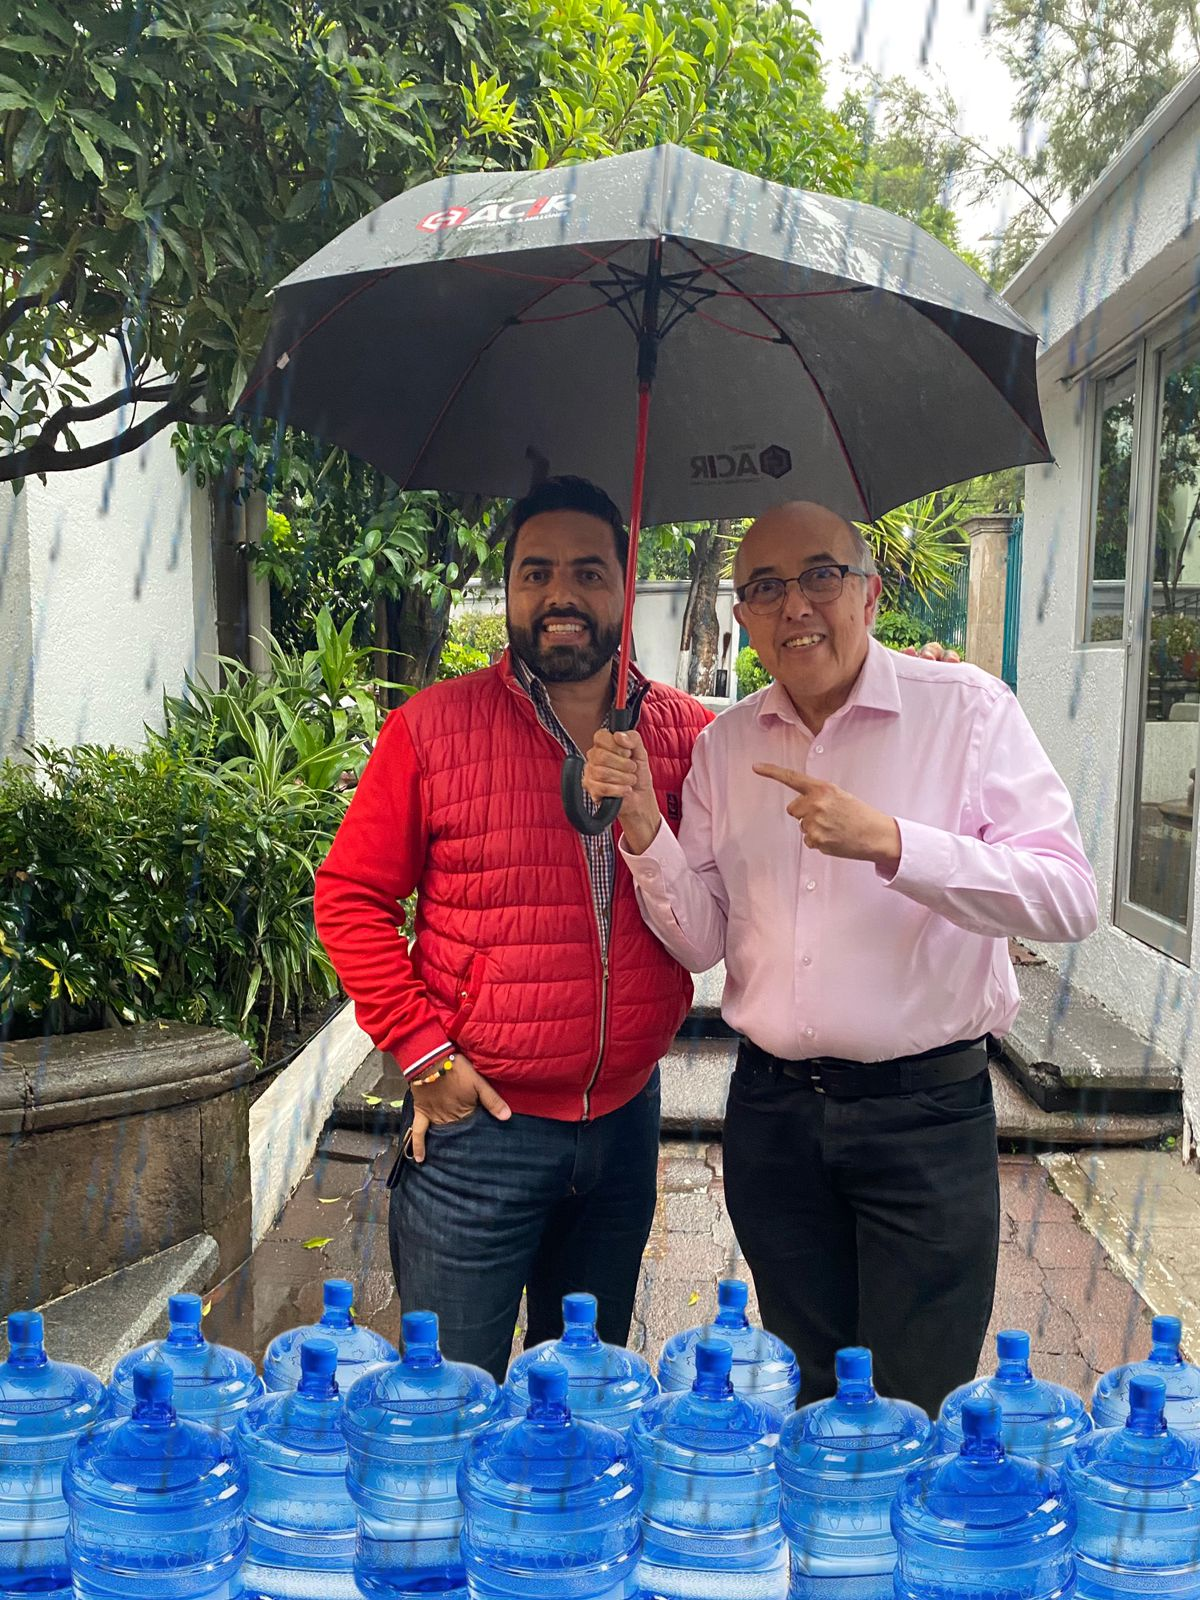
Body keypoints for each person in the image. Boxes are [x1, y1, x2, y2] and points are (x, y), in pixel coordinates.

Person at [583, 500, 1098, 1415]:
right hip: (774, 1116)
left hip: (926, 1116)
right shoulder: (726, 745)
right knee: (810, 1390)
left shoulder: (967, 713)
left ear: (869, 589)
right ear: (741, 615)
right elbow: (701, 938)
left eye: (821, 575)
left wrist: (895, 842)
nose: (797, 607)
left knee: (916, 1396)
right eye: (766, 588)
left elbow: (1068, 897)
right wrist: (642, 827)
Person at [313, 475, 711, 1382]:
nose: (561, 595)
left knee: (579, 1401)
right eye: (536, 573)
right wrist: (423, 1052)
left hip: (623, 1128)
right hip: (479, 1132)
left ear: (626, 581)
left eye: (587, 571)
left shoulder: (689, 736)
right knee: (451, 1397)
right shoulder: (432, 730)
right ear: (510, 591)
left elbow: (714, 910)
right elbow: (349, 898)